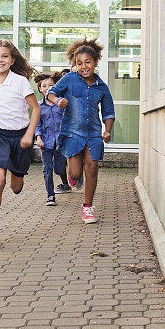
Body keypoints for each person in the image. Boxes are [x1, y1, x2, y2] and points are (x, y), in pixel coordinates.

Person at [0, 39, 40, 244]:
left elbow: (35, 110)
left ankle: (18, 174)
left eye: (4, 56)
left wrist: (29, 135)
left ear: (12, 60)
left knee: (15, 186)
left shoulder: (20, 82)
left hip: (20, 137)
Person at [47, 37, 115, 224]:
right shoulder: (69, 79)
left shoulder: (102, 86)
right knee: (76, 174)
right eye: (79, 63)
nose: (84, 66)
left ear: (95, 62)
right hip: (72, 133)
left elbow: (109, 112)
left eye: (88, 62)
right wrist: (57, 101)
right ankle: (73, 176)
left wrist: (107, 131)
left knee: (92, 168)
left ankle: (87, 207)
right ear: (74, 64)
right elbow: (51, 93)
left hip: (93, 134)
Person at [34, 72, 71, 206]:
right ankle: (50, 196)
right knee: (47, 170)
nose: (47, 87)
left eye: (51, 85)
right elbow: (37, 124)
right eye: (44, 86)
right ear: (40, 89)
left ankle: (66, 183)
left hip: (61, 142)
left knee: (59, 169)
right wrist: (38, 138)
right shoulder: (38, 106)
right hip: (46, 142)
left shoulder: (61, 103)